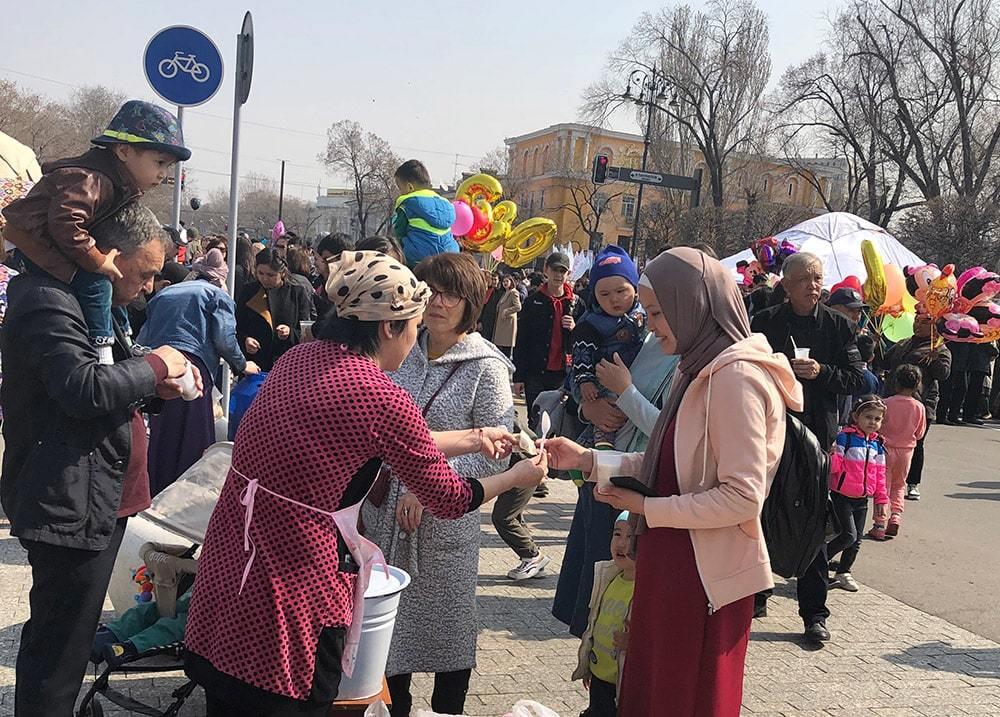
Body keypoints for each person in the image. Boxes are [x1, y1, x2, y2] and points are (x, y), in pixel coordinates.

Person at [183, 250, 546, 716]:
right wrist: (519, 476)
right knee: (283, 700)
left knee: (228, 696)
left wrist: (476, 439)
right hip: (294, 585)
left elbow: (375, 439)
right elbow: (451, 497)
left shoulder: (301, 358)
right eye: (412, 324)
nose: (415, 336)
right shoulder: (378, 395)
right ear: (389, 327)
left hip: (235, 561)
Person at [543, 247, 802, 716]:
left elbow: (743, 497)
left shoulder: (735, 377)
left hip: (703, 574)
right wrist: (590, 459)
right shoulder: (698, 366)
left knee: (684, 697)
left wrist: (648, 508)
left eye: (660, 312)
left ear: (694, 305)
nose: (651, 322)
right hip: (675, 560)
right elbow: (675, 465)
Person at [1, 203, 199, 717]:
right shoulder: (47, 301)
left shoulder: (96, 301)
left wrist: (159, 385)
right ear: (110, 256)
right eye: (146, 272)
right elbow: (82, 387)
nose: (151, 286)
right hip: (69, 497)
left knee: (71, 636)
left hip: (98, 492)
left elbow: (107, 375)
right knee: (58, 647)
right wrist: (157, 364)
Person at [361, 253, 513, 717]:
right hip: (382, 515)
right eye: (432, 290)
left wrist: (427, 488)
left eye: (452, 294)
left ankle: (450, 711)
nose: (439, 302)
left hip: (445, 523)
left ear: (472, 304)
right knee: (388, 634)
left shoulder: (487, 366)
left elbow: (495, 451)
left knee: (449, 635)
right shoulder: (401, 345)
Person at [2, 100, 190, 365]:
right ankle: (102, 353)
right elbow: (66, 223)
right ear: (124, 151)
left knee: (114, 287)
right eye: (159, 162)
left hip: (49, 241)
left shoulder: (117, 183)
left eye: (167, 167)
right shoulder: (93, 180)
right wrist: (96, 259)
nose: (162, 174)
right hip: (32, 243)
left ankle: (125, 339)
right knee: (97, 282)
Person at [751, 251, 866, 642]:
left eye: (818, 278)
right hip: (768, 428)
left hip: (816, 434)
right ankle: (755, 593)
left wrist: (822, 372)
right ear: (785, 284)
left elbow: (856, 379)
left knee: (814, 522)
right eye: (805, 279)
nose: (813, 286)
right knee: (760, 510)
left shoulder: (837, 326)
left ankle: (814, 613)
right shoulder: (765, 322)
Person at [553, 332, 679, 637]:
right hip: (606, 473)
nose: (652, 320)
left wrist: (626, 391)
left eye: (659, 310)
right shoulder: (643, 340)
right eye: (649, 308)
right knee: (594, 589)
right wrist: (587, 408)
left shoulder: (692, 360)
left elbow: (671, 436)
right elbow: (589, 393)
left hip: (645, 487)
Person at [138, 250, 260, 497]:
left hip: (158, 363)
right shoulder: (217, 296)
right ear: (219, 279)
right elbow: (225, 339)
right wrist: (242, 364)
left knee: (161, 432)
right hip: (191, 367)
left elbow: (143, 337)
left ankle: (155, 490)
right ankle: (185, 495)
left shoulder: (165, 294)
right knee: (194, 434)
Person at [571, 245, 646, 449]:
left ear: (635, 288)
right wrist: (585, 381)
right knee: (606, 420)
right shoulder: (591, 323)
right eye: (604, 294)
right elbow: (581, 355)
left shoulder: (645, 315)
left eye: (621, 291)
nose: (614, 299)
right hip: (603, 382)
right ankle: (595, 452)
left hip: (635, 391)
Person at [572, 511, 635, 717]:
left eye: (631, 537)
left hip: (623, 682)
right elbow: (594, 625)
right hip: (600, 674)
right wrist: (588, 665)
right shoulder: (608, 576)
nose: (622, 543)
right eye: (617, 534)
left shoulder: (645, 589)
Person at [882, 309, 951, 500]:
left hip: (920, 403)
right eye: (916, 321)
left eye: (923, 322)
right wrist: (875, 343)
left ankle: (912, 483)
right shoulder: (904, 343)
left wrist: (935, 357)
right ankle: (884, 479)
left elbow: (943, 374)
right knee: (886, 440)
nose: (917, 324)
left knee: (915, 443)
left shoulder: (940, 348)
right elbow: (884, 361)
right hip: (893, 399)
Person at [827, 395, 888, 591]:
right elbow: (834, 466)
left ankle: (844, 571)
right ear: (856, 416)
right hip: (841, 496)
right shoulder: (846, 437)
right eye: (868, 417)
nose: (873, 422)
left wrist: (881, 498)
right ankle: (817, 561)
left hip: (862, 499)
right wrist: (832, 454)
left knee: (856, 540)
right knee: (848, 535)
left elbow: (880, 474)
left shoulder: (877, 444)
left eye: (877, 419)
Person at [512, 251, 584, 414]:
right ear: (546, 270)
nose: (558, 275)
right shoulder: (533, 301)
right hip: (535, 372)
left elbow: (585, 339)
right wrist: (518, 377)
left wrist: (575, 328)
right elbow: (522, 340)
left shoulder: (577, 303)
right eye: (555, 270)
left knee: (558, 422)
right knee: (536, 419)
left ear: (568, 274)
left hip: (563, 375)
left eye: (563, 271)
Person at [236, 248, 313, 371]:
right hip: (256, 363)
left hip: (288, 363)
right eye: (260, 273)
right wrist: (245, 340)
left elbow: (306, 329)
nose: (265, 279)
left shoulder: (296, 293)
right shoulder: (249, 291)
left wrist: (290, 333)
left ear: (282, 273)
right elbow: (238, 325)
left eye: (270, 275)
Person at [877, 365, 927, 537]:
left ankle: (879, 522)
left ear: (896, 382)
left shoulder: (886, 403)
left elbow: (878, 426)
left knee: (882, 486)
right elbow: (920, 433)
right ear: (917, 385)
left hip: (885, 448)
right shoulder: (919, 407)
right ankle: (896, 515)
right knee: (899, 485)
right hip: (907, 451)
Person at [392, 159, 457, 266]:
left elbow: (399, 231)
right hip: (450, 258)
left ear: (409, 187)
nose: (400, 192)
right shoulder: (446, 203)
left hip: (418, 259)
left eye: (400, 188)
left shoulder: (407, 202)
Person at [311, 233, 353, 318]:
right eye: (323, 261)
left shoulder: (356, 290)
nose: (325, 266)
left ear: (343, 258)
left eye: (327, 260)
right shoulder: (325, 286)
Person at [493, 274, 522, 358]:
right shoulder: (505, 292)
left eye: (507, 281)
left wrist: (506, 311)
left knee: (506, 348)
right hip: (501, 323)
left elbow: (518, 307)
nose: (505, 283)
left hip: (508, 324)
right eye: (503, 281)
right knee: (500, 346)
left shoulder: (513, 292)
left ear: (511, 282)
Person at [477, 271, 502, 341]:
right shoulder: (487, 291)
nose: (494, 281)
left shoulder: (501, 293)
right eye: (492, 279)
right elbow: (483, 307)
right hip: (485, 320)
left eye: (495, 279)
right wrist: (480, 321)